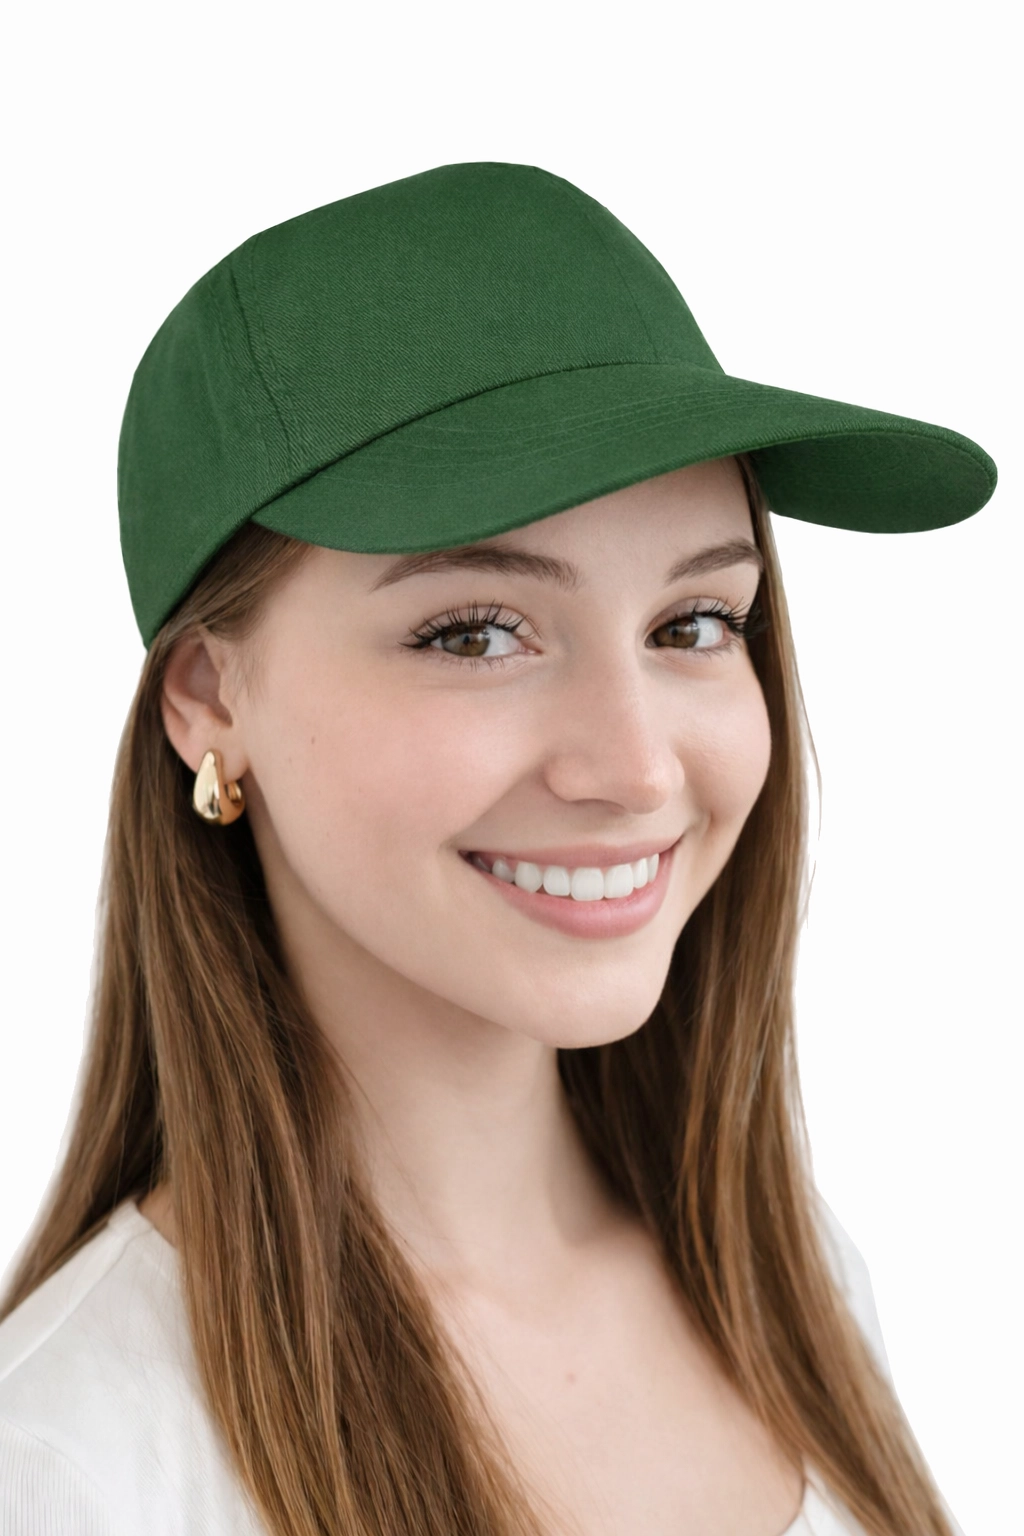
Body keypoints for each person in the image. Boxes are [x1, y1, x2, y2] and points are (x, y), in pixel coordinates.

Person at [0, 161, 994, 1536]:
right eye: (475, 633)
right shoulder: (74, 1464)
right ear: (212, 698)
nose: (637, 768)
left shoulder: (798, 1289)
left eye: (695, 624)